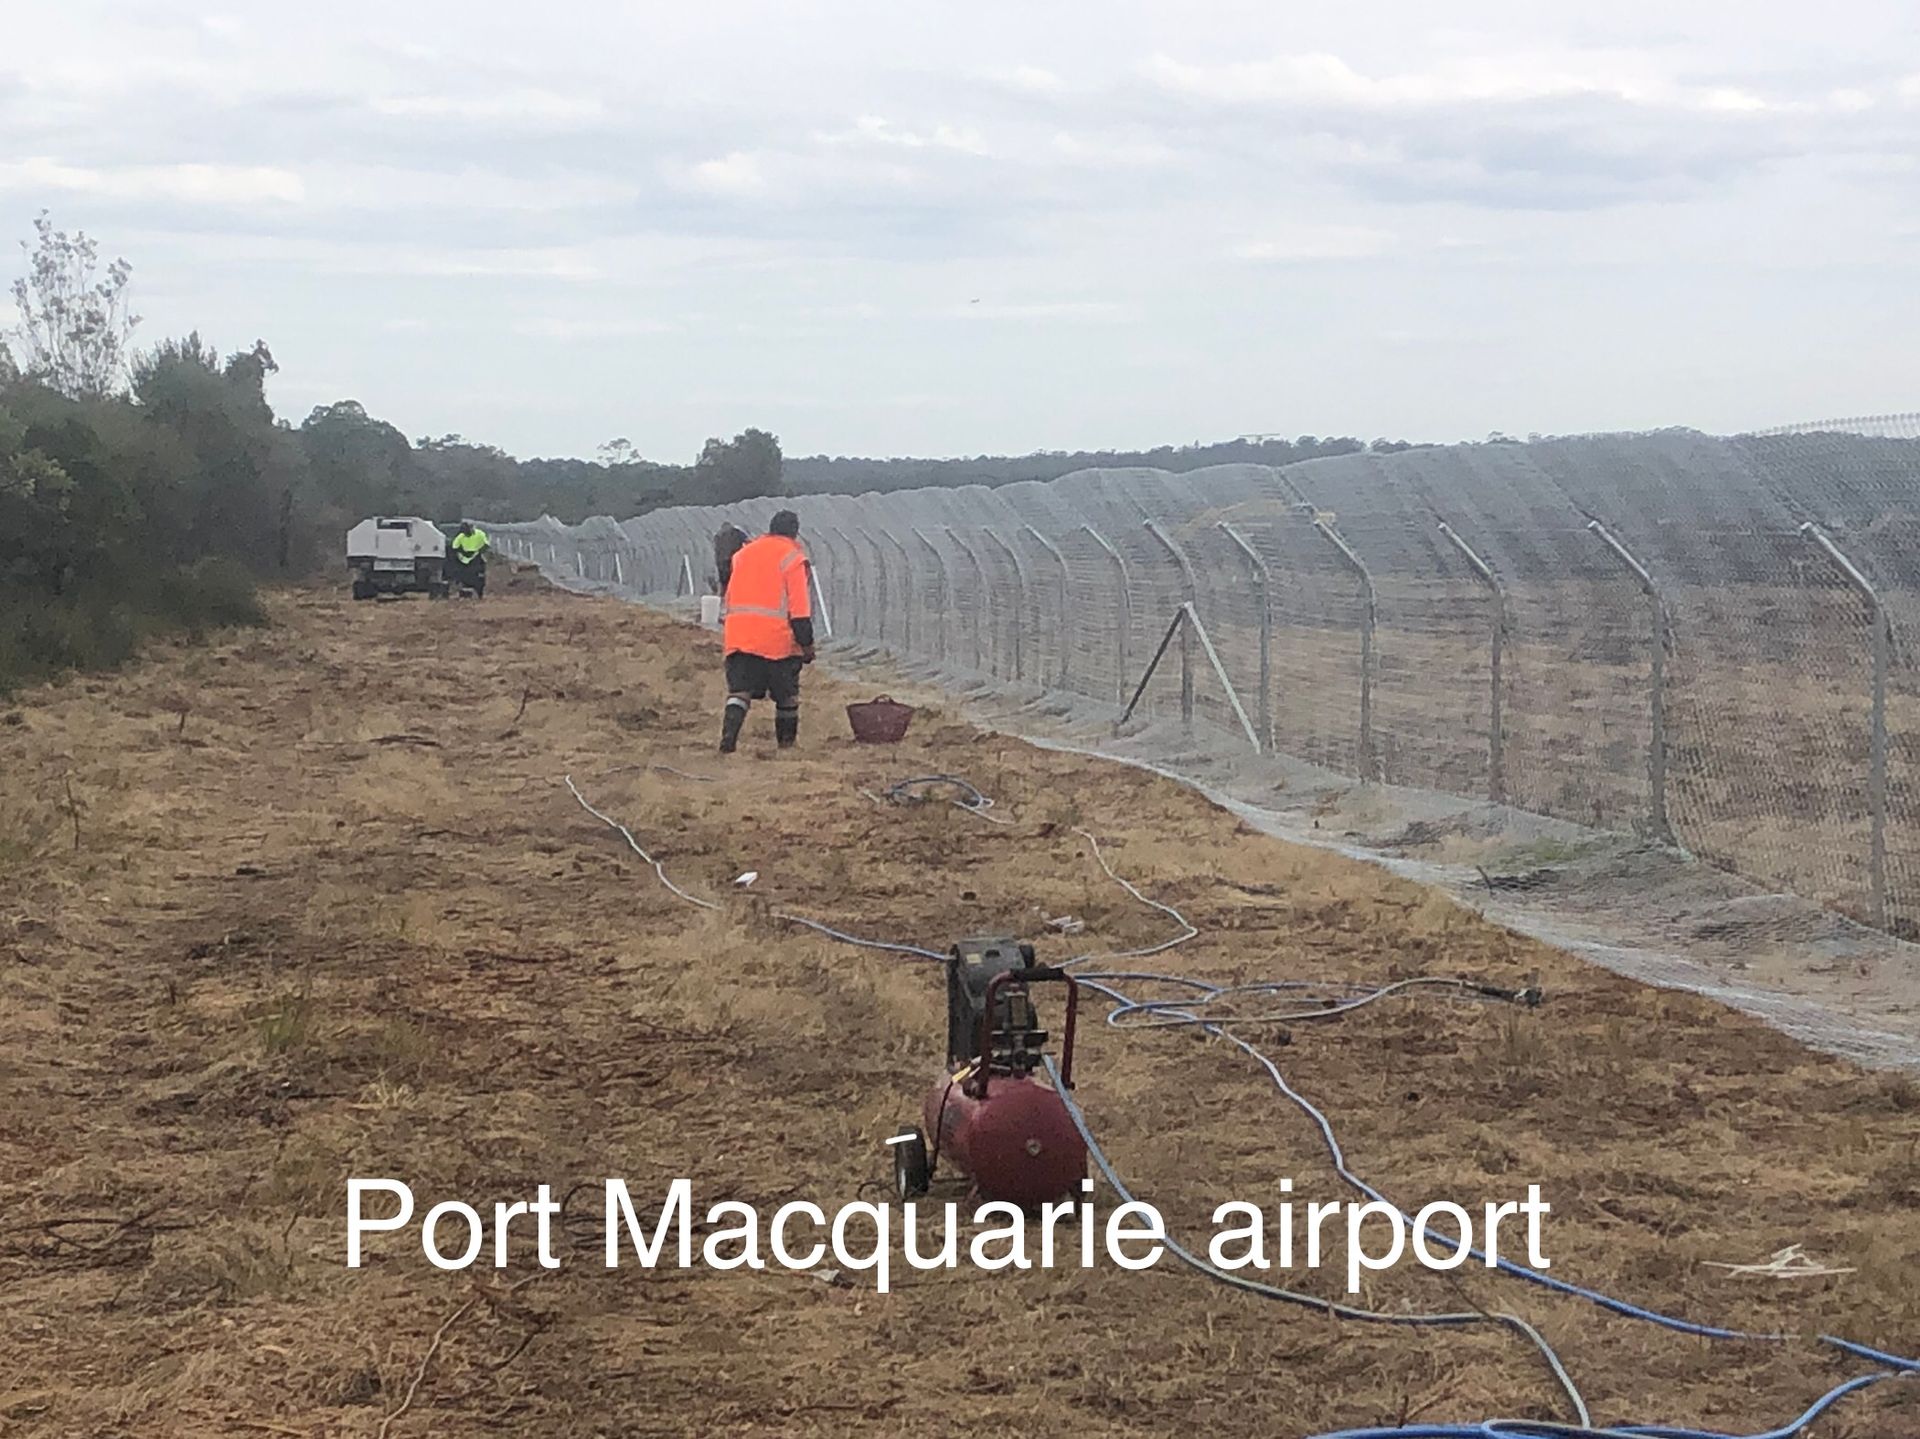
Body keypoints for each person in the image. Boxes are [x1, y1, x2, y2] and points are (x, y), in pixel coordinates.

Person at [719, 510, 814, 753]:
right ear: (795, 532)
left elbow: (729, 595)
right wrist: (807, 646)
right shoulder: (793, 559)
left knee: (740, 693)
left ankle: (728, 742)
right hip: (777, 642)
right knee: (786, 697)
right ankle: (786, 747)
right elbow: (800, 611)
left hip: (738, 636)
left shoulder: (742, 555)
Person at [447, 521, 491, 597]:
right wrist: (462, 552)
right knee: (463, 574)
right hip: (465, 558)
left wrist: (478, 551)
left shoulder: (480, 534)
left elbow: (486, 545)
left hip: (477, 556)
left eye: (467, 531)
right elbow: (454, 547)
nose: (466, 533)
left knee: (479, 575)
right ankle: (463, 590)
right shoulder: (461, 536)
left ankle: (480, 592)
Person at [712, 522, 748, 594]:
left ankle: (723, 597)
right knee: (735, 580)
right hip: (733, 560)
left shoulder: (718, 535)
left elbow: (716, 550)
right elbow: (747, 541)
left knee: (724, 582)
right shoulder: (737, 532)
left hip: (721, 562)